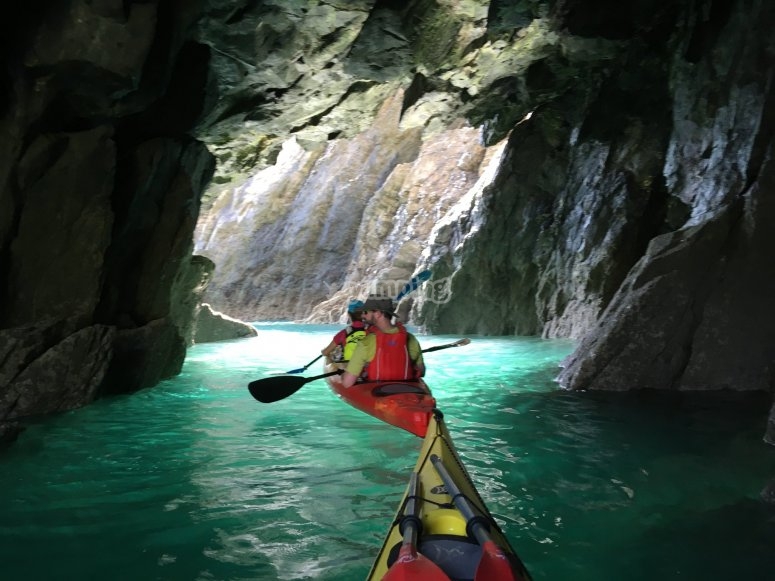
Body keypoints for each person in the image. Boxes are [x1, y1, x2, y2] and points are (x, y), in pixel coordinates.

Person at [341, 295, 425, 387]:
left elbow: (347, 383)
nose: (362, 315)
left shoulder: (366, 343)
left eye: (365, 312)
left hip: (378, 394)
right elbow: (422, 371)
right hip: (407, 391)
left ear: (377, 314)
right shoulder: (411, 339)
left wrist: (344, 374)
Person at [321, 300, 367, 364]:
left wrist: (323, 352)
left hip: (350, 367)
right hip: (367, 365)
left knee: (329, 356)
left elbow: (326, 352)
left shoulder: (344, 333)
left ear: (349, 314)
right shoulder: (370, 330)